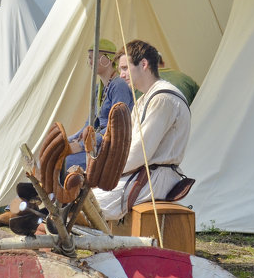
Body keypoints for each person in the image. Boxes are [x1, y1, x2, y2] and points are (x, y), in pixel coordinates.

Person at [92, 40, 191, 222]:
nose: (121, 75)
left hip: (154, 179)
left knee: (89, 205)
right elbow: (127, 143)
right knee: (83, 198)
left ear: (143, 64)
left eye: (124, 68)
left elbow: (140, 151)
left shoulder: (163, 98)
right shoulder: (144, 100)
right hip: (140, 174)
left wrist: (106, 173)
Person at [65, 38, 133, 171]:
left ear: (107, 59)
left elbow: (116, 127)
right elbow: (90, 123)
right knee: (55, 156)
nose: (90, 62)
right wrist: (70, 140)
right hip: (95, 143)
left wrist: (82, 145)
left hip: (110, 146)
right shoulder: (99, 87)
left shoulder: (119, 86)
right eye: (89, 58)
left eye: (93, 57)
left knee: (66, 163)